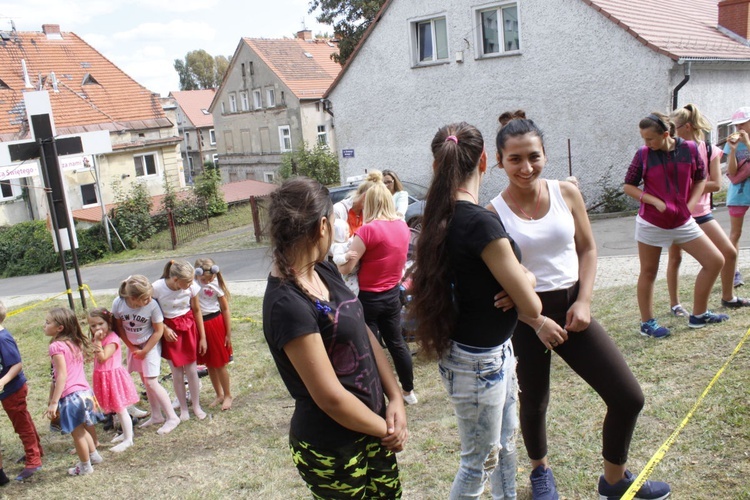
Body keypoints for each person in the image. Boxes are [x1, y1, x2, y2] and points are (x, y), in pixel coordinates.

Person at [489, 111, 670, 500]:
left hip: (574, 310)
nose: (526, 166)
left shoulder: (565, 193)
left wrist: (584, 301)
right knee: (534, 402)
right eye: (515, 159)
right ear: (499, 160)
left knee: (628, 397)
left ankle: (614, 481)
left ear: (545, 155)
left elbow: (587, 248)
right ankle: (540, 472)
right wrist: (534, 320)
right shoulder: (493, 214)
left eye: (533, 156)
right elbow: (502, 286)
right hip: (526, 320)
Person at [410, 122, 544, 499]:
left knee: (503, 447)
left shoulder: (439, 219)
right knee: (479, 462)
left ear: (437, 167)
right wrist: (526, 281)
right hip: (480, 363)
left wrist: (514, 284)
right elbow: (531, 304)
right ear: (486, 161)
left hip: (480, 354)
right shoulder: (480, 223)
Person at [263, 177, 408, 498]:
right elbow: (329, 397)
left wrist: (395, 397)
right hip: (332, 448)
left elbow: (363, 332)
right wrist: (385, 428)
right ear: (323, 225)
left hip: (373, 427)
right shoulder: (287, 304)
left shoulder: (323, 269)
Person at [623, 111, 726, 337]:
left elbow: (700, 178)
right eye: (643, 138)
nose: (646, 143)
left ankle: (698, 316)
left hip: (682, 220)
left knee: (715, 260)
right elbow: (628, 186)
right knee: (649, 272)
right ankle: (647, 323)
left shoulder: (688, 149)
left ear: (666, 134)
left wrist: (689, 206)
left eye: (650, 138)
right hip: (652, 222)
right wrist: (654, 201)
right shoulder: (643, 154)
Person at [337, 170, 416, 404]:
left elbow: (346, 268)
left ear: (370, 203)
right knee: (397, 344)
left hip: (369, 298)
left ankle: (380, 395)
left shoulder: (367, 230)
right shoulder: (403, 227)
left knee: (371, 348)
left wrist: (338, 259)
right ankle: (409, 392)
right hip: (393, 295)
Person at [667, 104, 750, 315]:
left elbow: (715, 184)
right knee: (675, 258)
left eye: (674, 127)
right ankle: (676, 305)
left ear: (687, 127)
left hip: (702, 213)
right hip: (679, 214)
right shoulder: (671, 151)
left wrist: (689, 185)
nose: (671, 131)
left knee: (729, 253)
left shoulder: (710, 149)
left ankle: (728, 297)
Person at [112, 275, 180, 435]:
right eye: (146, 298)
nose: (150, 299)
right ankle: (156, 415)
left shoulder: (152, 306)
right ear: (133, 298)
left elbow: (158, 330)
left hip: (150, 345)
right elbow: (119, 328)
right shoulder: (119, 303)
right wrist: (132, 347)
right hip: (134, 346)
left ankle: (172, 417)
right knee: (144, 379)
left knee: (151, 381)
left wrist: (145, 350)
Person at [43, 307, 104, 476]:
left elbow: (61, 375)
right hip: (85, 393)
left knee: (77, 434)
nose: (44, 325)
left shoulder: (56, 346)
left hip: (71, 397)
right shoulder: (74, 342)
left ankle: (85, 466)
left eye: (48, 323)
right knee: (84, 428)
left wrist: (54, 403)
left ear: (59, 328)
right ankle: (94, 455)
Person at [152, 260, 207, 421]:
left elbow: (197, 310)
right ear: (176, 279)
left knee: (191, 369)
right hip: (170, 330)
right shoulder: (156, 288)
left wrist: (202, 337)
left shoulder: (192, 288)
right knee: (176, 372)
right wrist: (165, 329)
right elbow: (152, 312)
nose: (191, 284)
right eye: (188, 281)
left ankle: (196, 405)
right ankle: (183, 408)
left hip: (188, 327)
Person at [0, 300, 43, 482]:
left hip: (13, 389)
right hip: (6, 390)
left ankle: (34, 460)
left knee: (22, 425)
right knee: (23, 420)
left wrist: (3, 381)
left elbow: (16, 364)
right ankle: (37, 450)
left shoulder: (3, 339)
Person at [87, 307, 140, 452]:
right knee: (116, 409)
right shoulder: (99, 339)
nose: (97, 328)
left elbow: (103, 357)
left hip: (112, 377)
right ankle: (124, 433)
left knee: (121, 408)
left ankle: (129, 439)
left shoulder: (112, 339)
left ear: (108, 323)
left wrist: (97, 342)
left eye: (100, 324)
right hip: (102, 376)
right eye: (93, 325)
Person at [194, 258, 233, 411]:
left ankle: (228, 394)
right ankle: (219, 394)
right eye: (204, 279)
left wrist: (228, 333)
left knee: (219, 363)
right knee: (209, 363)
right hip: (200, 325)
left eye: (210, 278)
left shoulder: (216, 286)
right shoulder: (194, 286)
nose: (207, 281)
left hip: (214, 323)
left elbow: (225, 309)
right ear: (197, 275)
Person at [725, 107, 750, 287]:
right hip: (739, 191)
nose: (739, 128)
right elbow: (731, 171)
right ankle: (733, 272)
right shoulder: (732, 142)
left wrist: (748, 143)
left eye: (743, 123)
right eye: (736, 125)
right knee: (735, 233)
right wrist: (733, 150)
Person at [331, 218, 360, 294]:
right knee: (353, 289)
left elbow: (351, 241)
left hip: (354, 272)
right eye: (346, 231)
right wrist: (346, 256)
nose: (348, 233)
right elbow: (336, 259)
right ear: (340, 234)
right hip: (348, 276)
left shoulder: (345, 242)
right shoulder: (338, 247)